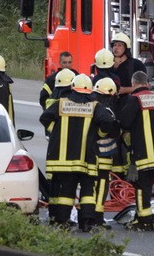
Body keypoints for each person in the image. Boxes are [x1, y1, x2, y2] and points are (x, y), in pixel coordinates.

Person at [40, 74, 114, 230]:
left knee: (66, 191)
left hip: (65, 159)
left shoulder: (61, 104)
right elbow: (108, 121)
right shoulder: (94, 106)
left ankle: (63, 221)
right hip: (86, 158)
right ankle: (86, 222)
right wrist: (98, 134)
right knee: (87, 191)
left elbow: (44, 117)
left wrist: (56, 132)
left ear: (72, 88)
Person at [117, 71, 154, 230]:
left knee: (140, 188)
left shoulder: (134, 99)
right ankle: (143, 217)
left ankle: (144, 221)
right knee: (147, 188)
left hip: (142, 155)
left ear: (134, 84)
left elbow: (124, 122)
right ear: (146, 83)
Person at [85, 77, 122, 230]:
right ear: (110, 94)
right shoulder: (106, 109)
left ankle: (89, 216)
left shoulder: (91, 105)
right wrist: (101, 133)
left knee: (91, 186)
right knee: (101, 186)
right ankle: (97, 218)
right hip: (103, 155)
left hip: (91, 154)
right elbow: (110, 129)